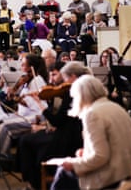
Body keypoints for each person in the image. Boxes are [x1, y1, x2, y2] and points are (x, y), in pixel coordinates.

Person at [50, 75, 131, 190]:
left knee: (62, 173)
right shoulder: (115, 107)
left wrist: (73, 164)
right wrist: (87, 151)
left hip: (112, 178)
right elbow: (114, 143)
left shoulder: (92, 114)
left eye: (75, 97)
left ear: (82, 96)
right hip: (130, 171)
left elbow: (100, 157)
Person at [19, 62, 88, 190]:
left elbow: (57, 121)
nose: (64, 82)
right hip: (69, 133)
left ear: (73, 77)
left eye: (65, 78)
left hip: (69, 139)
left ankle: (36, 182)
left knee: (26, 141)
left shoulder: (73, 93)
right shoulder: (82, 89)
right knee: (28, 139)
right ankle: (34, 179)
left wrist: (40, 104)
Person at [0, 54, 49, 156]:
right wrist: (14, 97)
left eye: (23, 65)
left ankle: (0, 155)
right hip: (24, 115)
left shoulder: (37, 81)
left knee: (5, 125)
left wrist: (17, 99)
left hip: (36, 117)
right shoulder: (26, 81)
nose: (21, 67)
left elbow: (36, 106)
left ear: (31, 67)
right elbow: (25, 102)